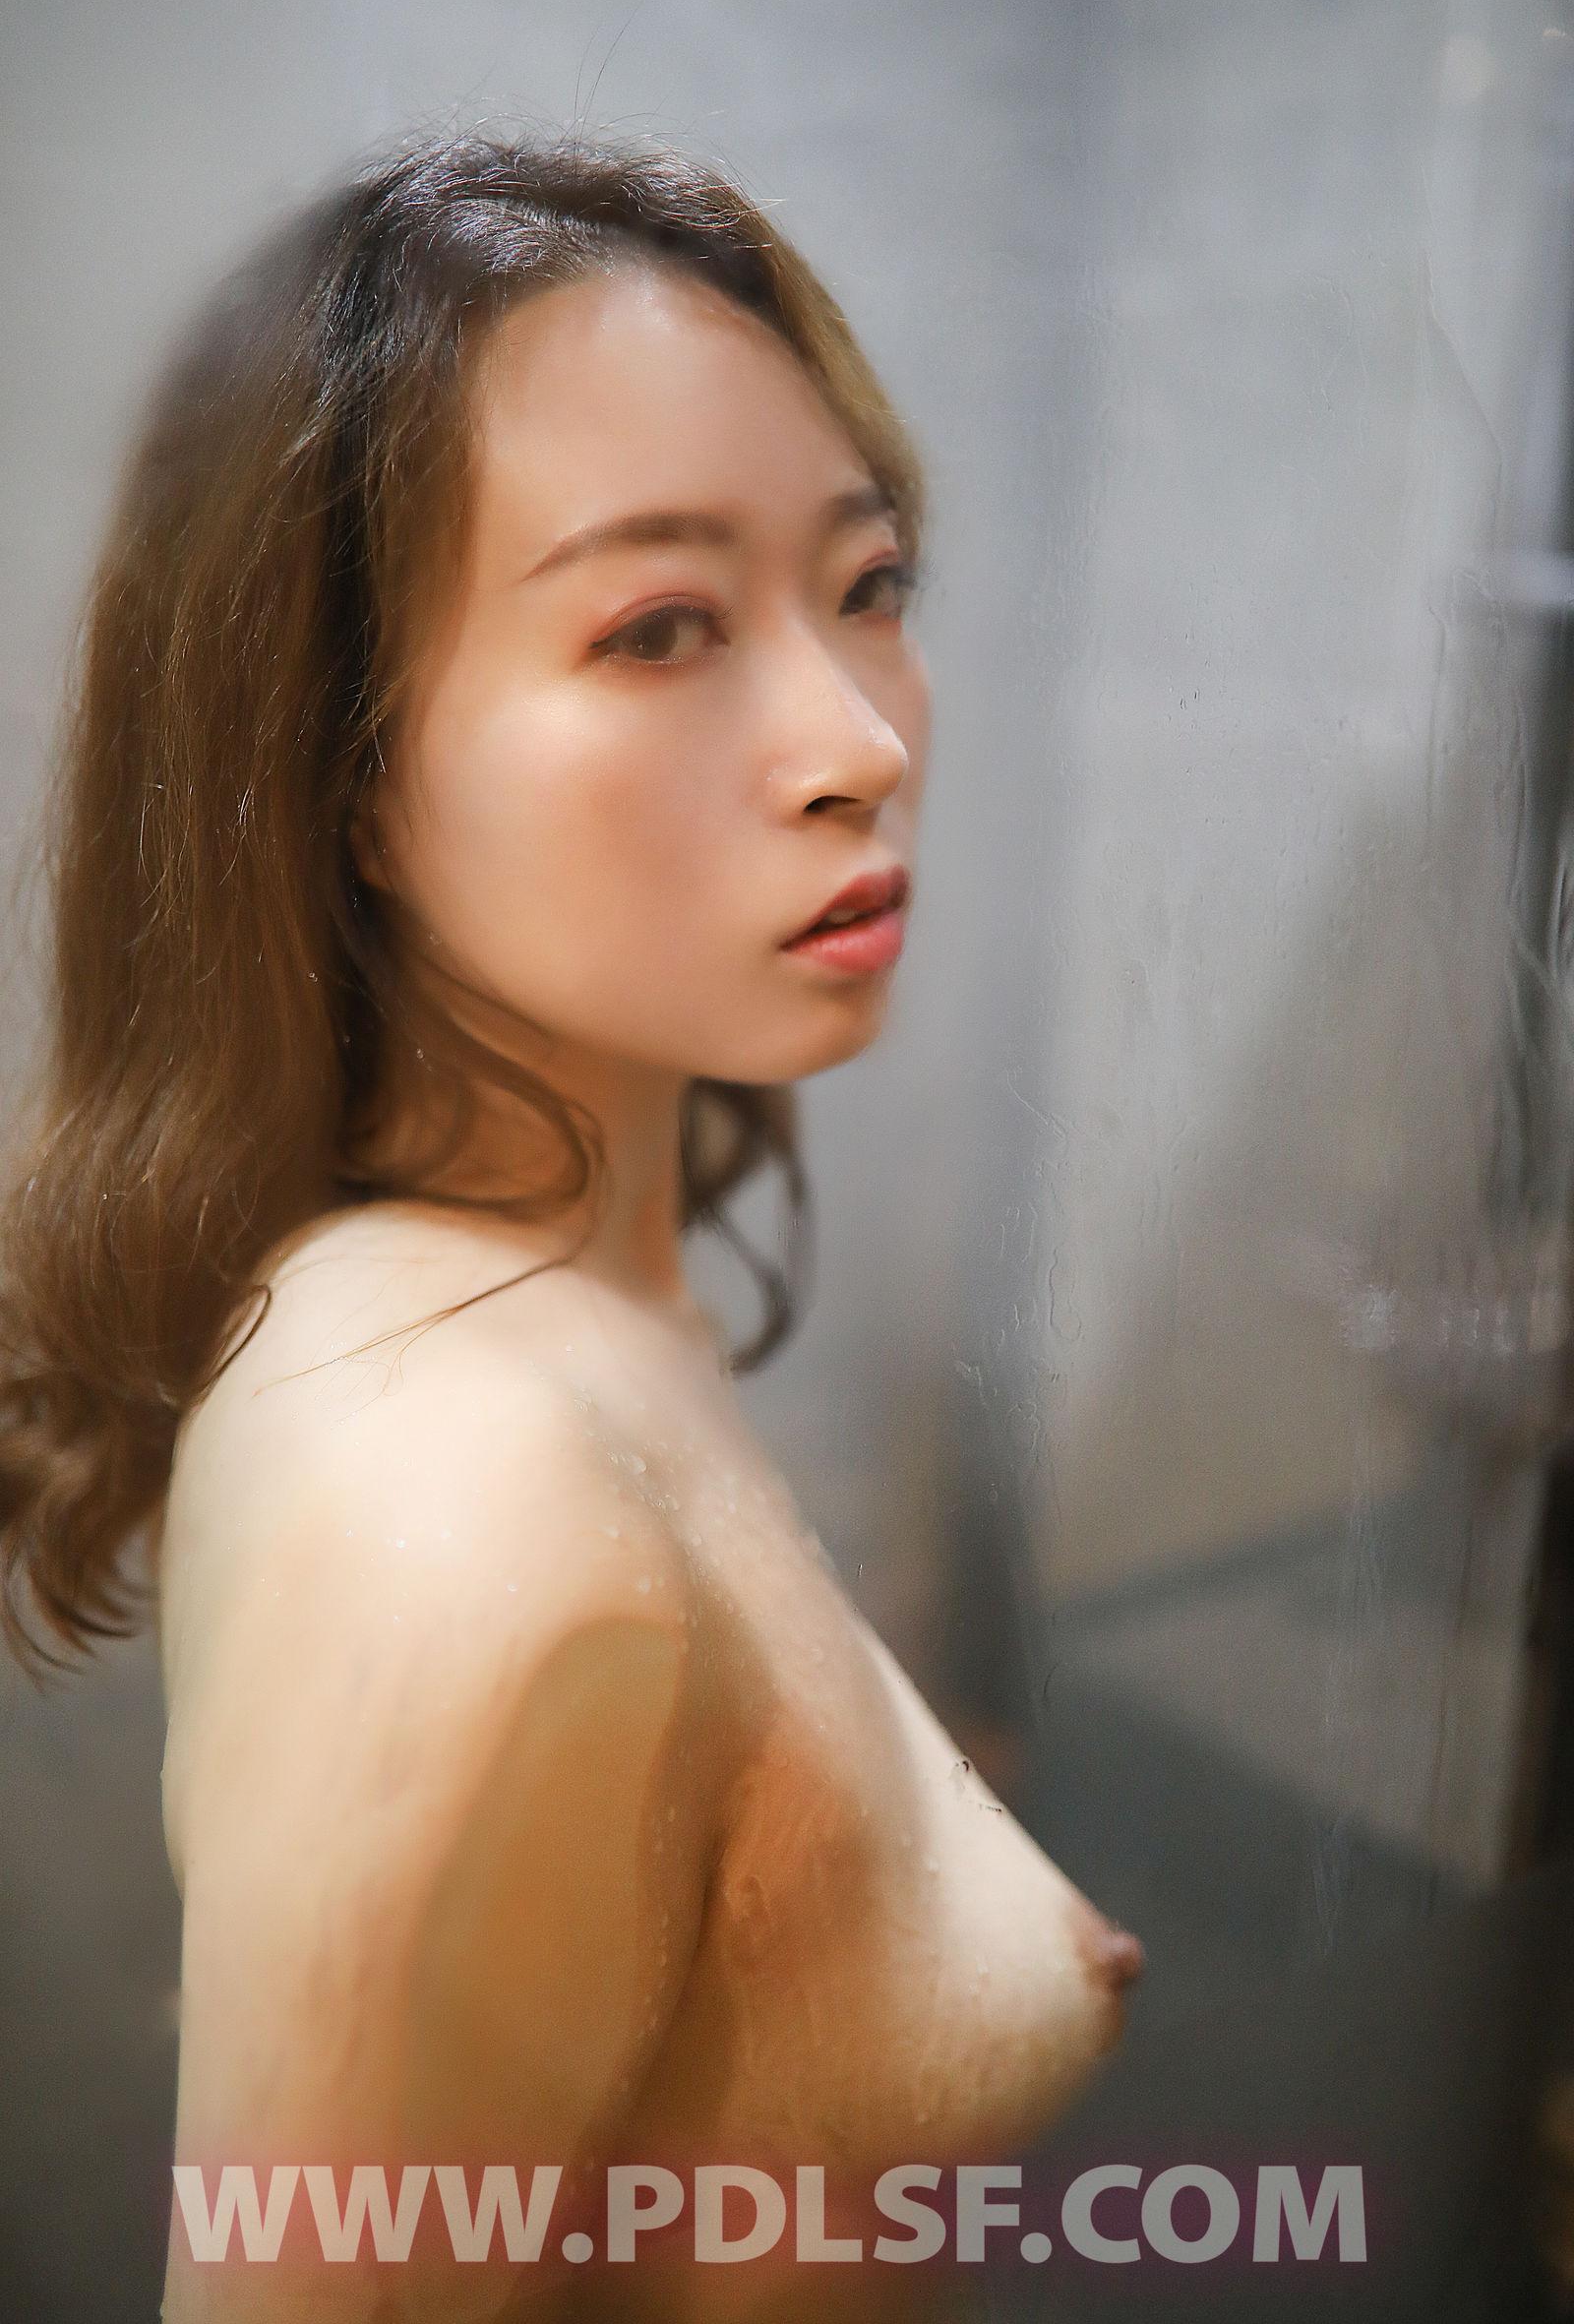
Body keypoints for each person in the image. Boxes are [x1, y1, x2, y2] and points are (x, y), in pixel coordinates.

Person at [0, 128, 1143, 2321]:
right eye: (657, 628)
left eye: (869, 584)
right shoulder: (483, 1515)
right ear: (343, 778)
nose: (856, 742)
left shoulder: (545, 1303)